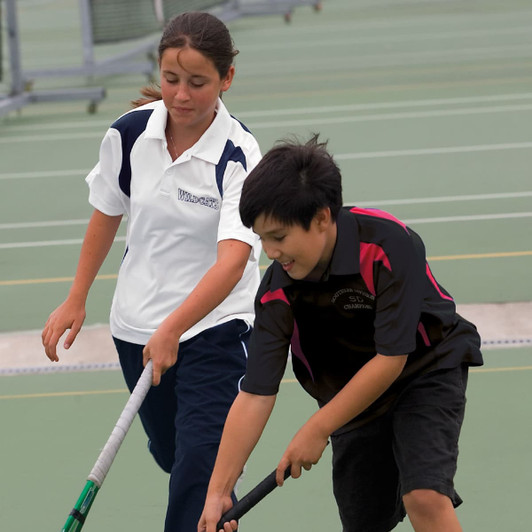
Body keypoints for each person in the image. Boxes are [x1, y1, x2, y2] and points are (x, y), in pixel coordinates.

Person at [41, 12, 262, 532]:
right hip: (137, 329)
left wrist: (175, 329)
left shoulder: (239, 155)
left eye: (197, 82)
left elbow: (233, 261)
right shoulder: (129, 134)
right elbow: (106, 212)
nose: (181, 95)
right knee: (175, 456)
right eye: (171, 79)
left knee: (198, 474)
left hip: (215, 330)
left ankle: (209, 488)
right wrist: (76, 297)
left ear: (227, 79)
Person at [198, 135, 483, 532]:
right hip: (349, 395)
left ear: (321, 218)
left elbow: (391, 358)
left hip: (424, 370)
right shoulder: (277, 293)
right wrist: (218, 493)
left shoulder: (388, 244)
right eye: (261, 239)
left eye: (278, 237)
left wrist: (316, 428)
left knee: (424, 495)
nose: (269, 252)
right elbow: (255, 393)